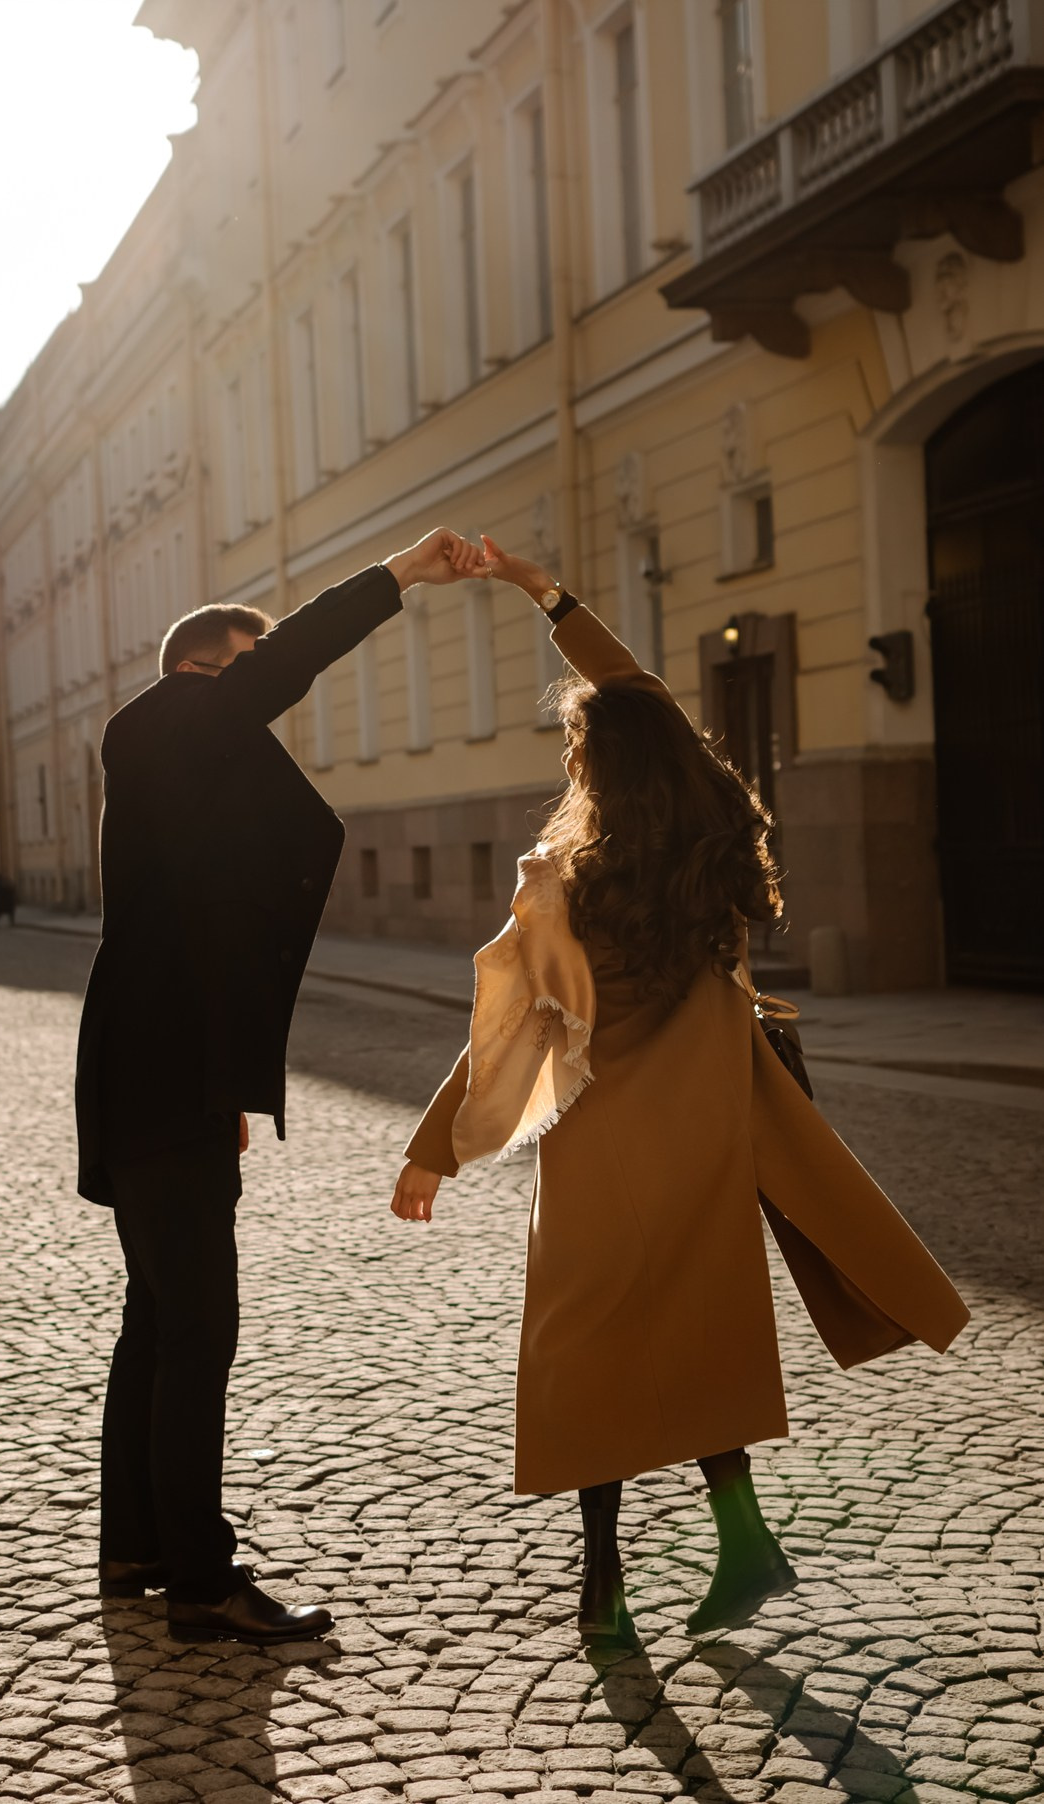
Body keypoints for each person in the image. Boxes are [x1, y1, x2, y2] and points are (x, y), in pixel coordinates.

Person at [392, 535, 970, 1647]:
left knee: (584, 1357)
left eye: (576, 747)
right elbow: (643, 698)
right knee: (697, 1335)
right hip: (708, 1136)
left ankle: (603, 1583)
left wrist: (432, 1149)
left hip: (599, 1146)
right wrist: (543, 592)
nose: (569, 758)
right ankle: (743, 1539)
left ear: (593, 768)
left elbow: (510, 1034)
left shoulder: (560, 886)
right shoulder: (712, 839)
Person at [76, 528, 487, 1647]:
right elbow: (281, 666)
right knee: (196, 1330)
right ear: (202, 668)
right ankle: (202, 1584)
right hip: (159, 1073)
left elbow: (213, 915)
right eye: (243, 675)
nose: (257, 704)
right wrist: (399, 574)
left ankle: (136, 1546)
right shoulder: (165, 719)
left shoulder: (175, 763)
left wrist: (228, 1083)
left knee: (158, 1318)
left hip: (160, 1074)